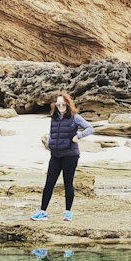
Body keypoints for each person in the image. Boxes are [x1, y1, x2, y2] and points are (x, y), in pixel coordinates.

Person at [31, 93, 94, 222]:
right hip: (55, 155)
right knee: (49, 183)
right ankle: (42, 212)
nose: (61, 106)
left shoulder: (74, 117)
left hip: (70, 155)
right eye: (58, 104)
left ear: (67, 104)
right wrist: (50, 143)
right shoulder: (54, 118)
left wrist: (79, 136)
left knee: (68, 183)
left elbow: (90, 128)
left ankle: (68, 213)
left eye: (63, 104)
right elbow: (53, 133)